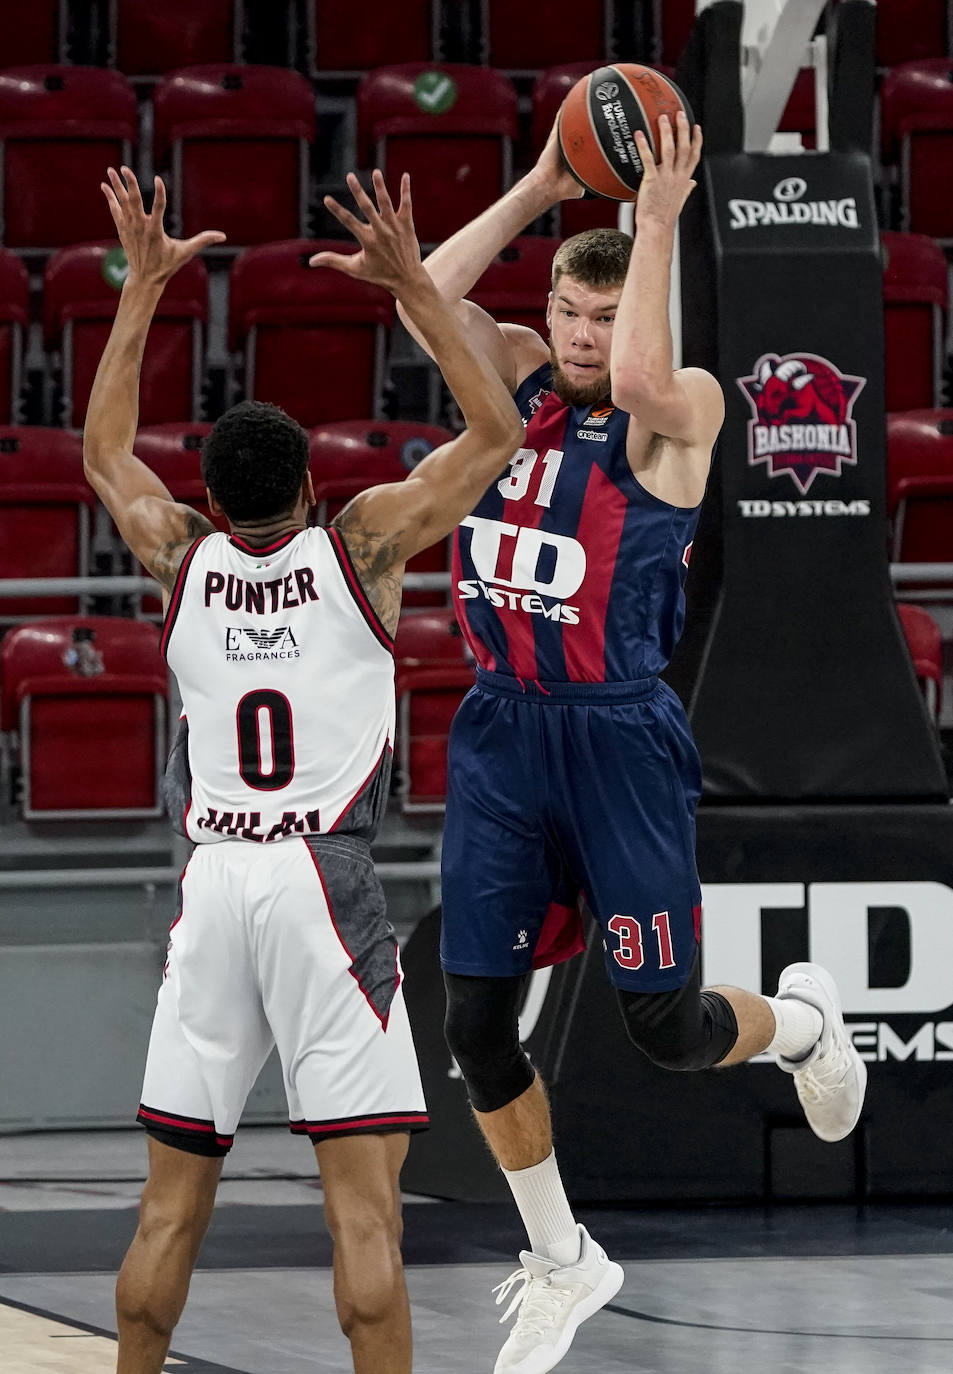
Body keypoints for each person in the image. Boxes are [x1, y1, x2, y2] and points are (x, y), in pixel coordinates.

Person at [398, 110, 868, 1373]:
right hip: (501, 730)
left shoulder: (680, 412)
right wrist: (544, 182)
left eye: (601, 319)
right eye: (565, 309)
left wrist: (656, 219)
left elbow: (657, 378)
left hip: (615, 736)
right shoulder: (508, 379)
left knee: (661, 1026)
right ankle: (561, 1259)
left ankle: (807, 1028)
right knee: (476, 1031)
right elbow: (418, 299)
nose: (578, 336)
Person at [83, 164, 524, 1374]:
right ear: (315, 486)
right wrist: (414, 291)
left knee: (169, 1209)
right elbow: (497, 432)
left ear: (213, 498)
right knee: (364, 1216)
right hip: (325, 888)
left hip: (214, 888)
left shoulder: (178, 553)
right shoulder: (364, 546)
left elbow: (105, 453)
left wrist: (143, 291)